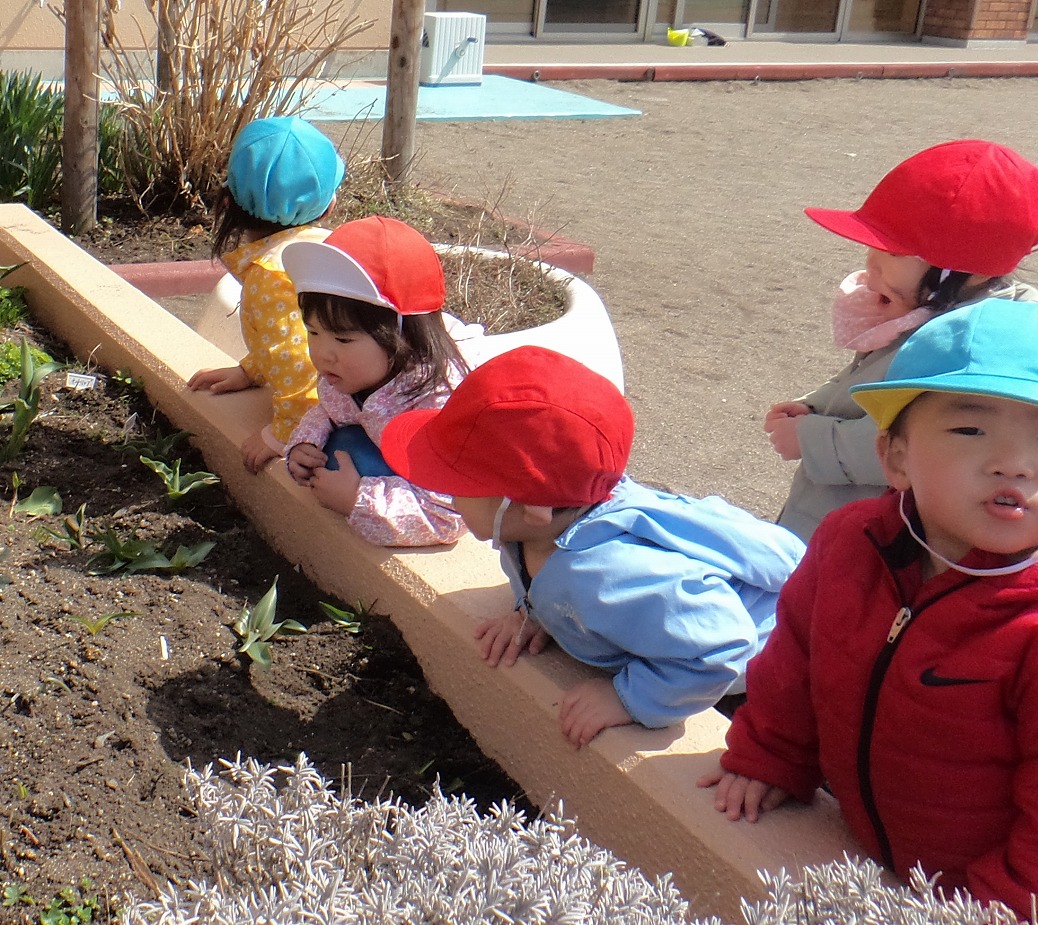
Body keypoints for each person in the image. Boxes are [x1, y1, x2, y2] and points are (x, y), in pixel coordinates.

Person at [704, 299, 1038, 925]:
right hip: (917, 869)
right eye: (970, 430)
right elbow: (797, 660)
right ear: (893, 457)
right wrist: (772, 753)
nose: (1012, 461)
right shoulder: (855, 543)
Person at [380, 345, 807, 748]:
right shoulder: (545, 523)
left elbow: (721, 643)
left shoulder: (603, 574)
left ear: (531, 508)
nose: (449, 496)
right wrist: (536, 611)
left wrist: (631, 699)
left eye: (460, 485)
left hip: (768, 675)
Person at [766, 139, 1038, 541]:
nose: (871, 261)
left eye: (893, 251)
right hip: (835, 520)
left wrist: (813, 439)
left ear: (965, 273)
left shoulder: (974, 344)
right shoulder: (929, 308)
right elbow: (868, 377)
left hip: (875, 540)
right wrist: (814, 403)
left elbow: (920, 441)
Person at [279, 216, 469, 547]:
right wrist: (305, 445)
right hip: (384, 453)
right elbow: (331, 409)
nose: (323, 353)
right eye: (313, 332)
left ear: (402, 337)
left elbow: (451, 511)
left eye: (343, 339)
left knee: (356, 453)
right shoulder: (352, 374)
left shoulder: (432, 411)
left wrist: (357, 499)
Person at [188, 116, 344, 474]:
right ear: (328, 205)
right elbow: (295, 337)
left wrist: (282, 435)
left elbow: (299, 364)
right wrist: (251, 371)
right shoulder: (322, 246)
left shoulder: (272, 276)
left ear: (228, 202)